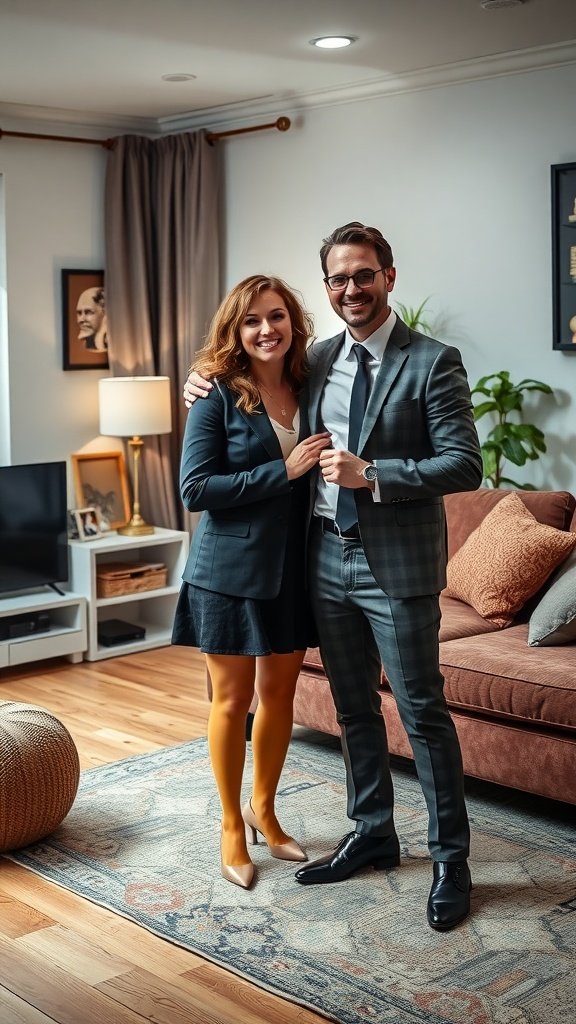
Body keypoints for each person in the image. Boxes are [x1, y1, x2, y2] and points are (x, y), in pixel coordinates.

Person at [184, 222, 483, 930]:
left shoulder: (433, 361)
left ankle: (451, 860)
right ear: (326, 287)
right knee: (352, 711)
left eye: (364, 275)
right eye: (339, 278)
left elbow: (464, 465)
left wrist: (372, 474)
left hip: (397, 568)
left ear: (389, 277)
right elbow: (241, 390)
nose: (352, 289)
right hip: (321, 560)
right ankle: (373, 832)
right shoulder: (312, 359)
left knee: (422, 714)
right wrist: (201, 380)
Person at [173, 274, 331, 891]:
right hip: (228, 571)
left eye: (277, 317)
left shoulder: (309, 383)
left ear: (294, 323)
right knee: (231, 702)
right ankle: (231, 825)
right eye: (252, 321)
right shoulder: (216, 395)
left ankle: (266, 809)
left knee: (281, 698)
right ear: (235, 331)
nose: (266, 329)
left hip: (296, 567)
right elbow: (195, 490)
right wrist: (282, 471)